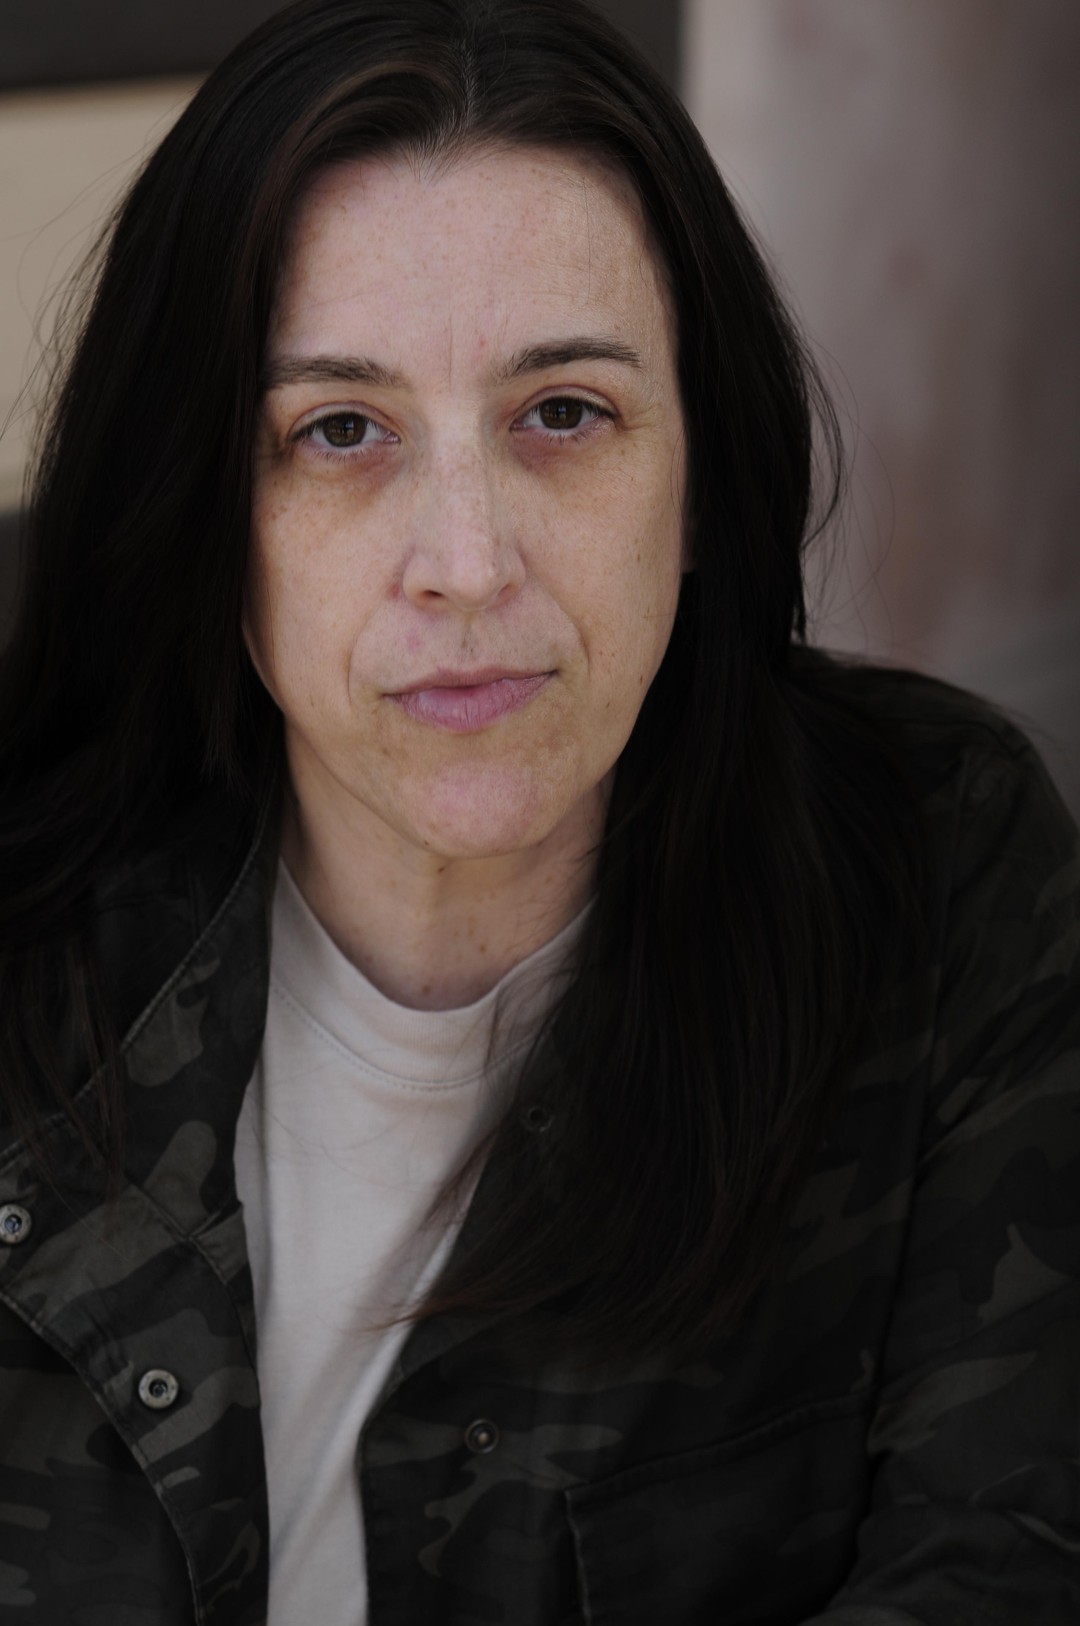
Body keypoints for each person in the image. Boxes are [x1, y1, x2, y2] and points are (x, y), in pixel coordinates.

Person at [0, 0, 1077, 1620]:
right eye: (339, 430)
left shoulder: (938, 868)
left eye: (563, 412)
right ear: (210, 514)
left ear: (700, 476)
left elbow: (1007, 1562)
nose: (467, 563)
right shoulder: (28, 933)